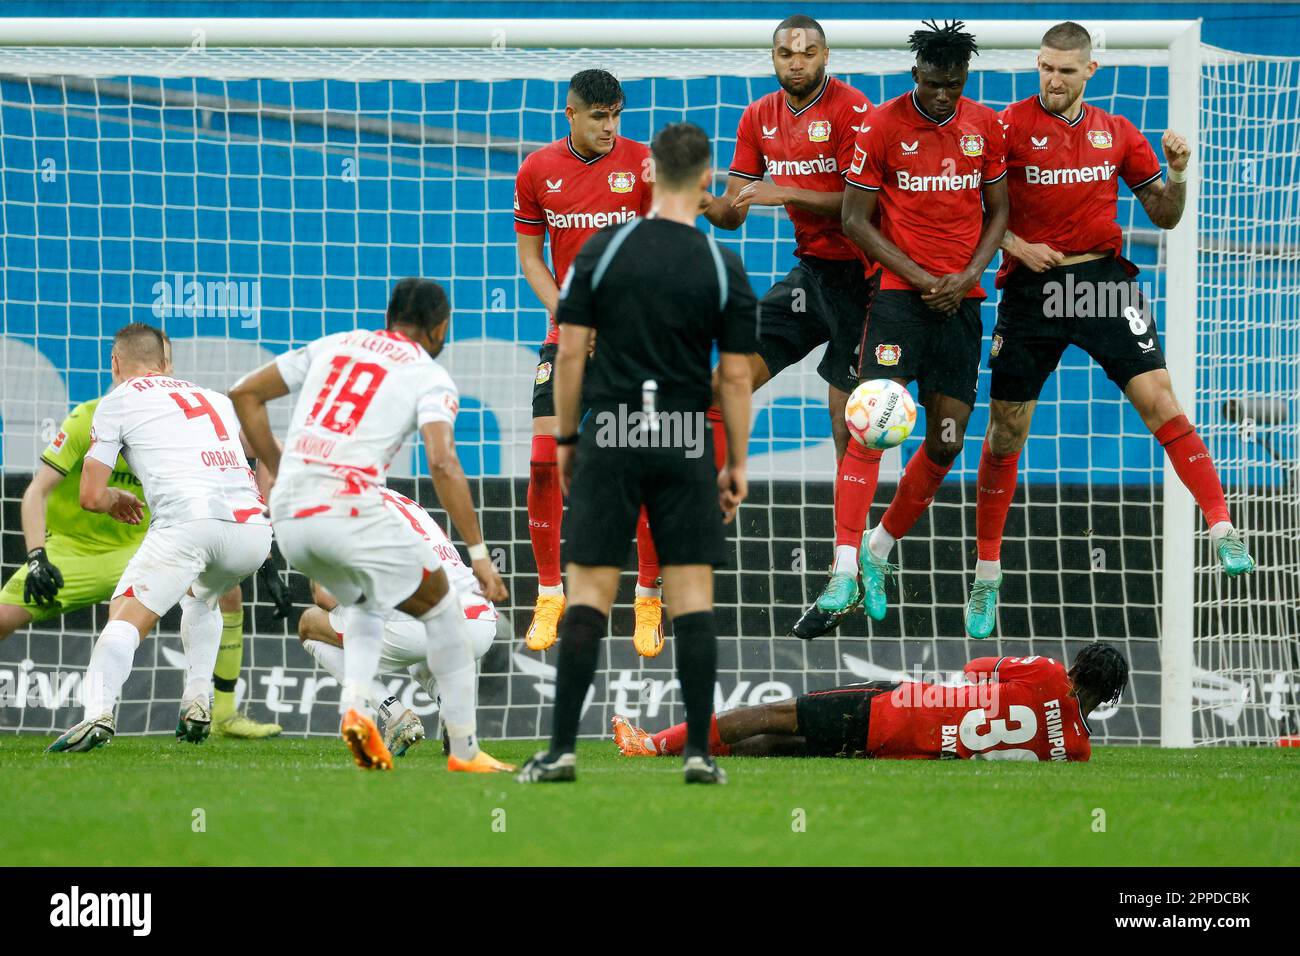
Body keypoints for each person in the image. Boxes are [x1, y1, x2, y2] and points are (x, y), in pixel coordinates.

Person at [964, 20, 1255, 639]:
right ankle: (987, 572)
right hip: (1031, 289)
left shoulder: (1117, 132)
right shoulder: (1007, 127)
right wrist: (1018, 242)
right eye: (1045, 67)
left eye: (1065, 71)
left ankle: (1223, 527)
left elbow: (1166, 216)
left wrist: (1177, 173)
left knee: (1161, 400)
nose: (1052, 80)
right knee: (1006, 431)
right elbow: (976, 209)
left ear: (1089, 72)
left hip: (1101, 282)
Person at [517, 122, 759, 785]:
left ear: (648, 172)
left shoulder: (603, 248)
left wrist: (568, 438)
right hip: (684, 437)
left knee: (589, 593)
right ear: (708, 177)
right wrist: (735, 461)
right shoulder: (719, 262)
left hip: (613, 432)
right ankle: (700, 756)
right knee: (692, 600)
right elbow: (734, 378)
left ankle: (561, 751)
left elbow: (569, 350)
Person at [230, 278, 510, 773]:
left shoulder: (336, 344)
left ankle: (358, 711)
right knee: (445, 611)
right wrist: (481, 556)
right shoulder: (429, 376)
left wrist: (278, 468)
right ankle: (465, 752)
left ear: (389, 318)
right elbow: (443, 465)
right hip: (349, 508)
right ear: (440, 328)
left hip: (292, 519)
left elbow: (244, 392)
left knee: (361, 603)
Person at [698, 14, 882, 639]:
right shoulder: (758, 117)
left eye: (806, 52)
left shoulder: (856, 110)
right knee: (727, 377)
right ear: (773, 57)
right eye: (785, 53)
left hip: (868, 278)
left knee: (846, 419)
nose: (795, 61)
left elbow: (867, 205)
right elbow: (736, 210)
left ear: (825, 53)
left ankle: (850, 565)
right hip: (812, 277)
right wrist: (706, 202)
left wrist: (790, 193)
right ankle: (695, 516)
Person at [0, 334, 282, 738]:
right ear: (165, 363)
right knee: (203, 597)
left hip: (186, 526)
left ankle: (96, 712)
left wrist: (113, 496)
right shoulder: (215, 399)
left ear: (114, 363)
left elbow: (91, 496)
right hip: (252, 535)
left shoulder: (116, 401)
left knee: (126, 615)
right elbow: (270, 452)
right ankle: (198, 700)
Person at [838, 19, 1009, 626]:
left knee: (946, 441)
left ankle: (879, 548)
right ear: (916, 75)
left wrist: (966, 278)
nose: (943, 95)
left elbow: (999, 210)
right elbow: (855, 221)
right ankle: (842, 569)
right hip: (898, 300)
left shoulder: (984, 127)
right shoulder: (881, 126)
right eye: (934, 83)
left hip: (960, 302)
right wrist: (920, 278)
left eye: (954, 85)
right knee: (871, 427)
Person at [515, 68, 665, 657]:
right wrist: (573, 314)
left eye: (616, 116)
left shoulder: (642, 164)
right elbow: (531, 257)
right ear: (571, 114)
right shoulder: (536, 170)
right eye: (599, 116)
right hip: (568, 338)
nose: (610, 127)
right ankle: (550, 592)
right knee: (543, 463)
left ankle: (648, 598)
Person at [614, 642, 1127, 762]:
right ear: (1110, 696)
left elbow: (974, 670)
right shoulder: (1077, 753)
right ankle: (687, 751)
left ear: (1078, 667)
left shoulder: (1045, 673)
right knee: (789, 745)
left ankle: (656, 744)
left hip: (903, 706)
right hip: (906, 751)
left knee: (777, 714)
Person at [297, 488, 501, 757]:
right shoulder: (405, 502)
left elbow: (325, 598)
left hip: (415, 626)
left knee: (310, 624)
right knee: (423, 637)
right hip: (479, 622)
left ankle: (393, 715)